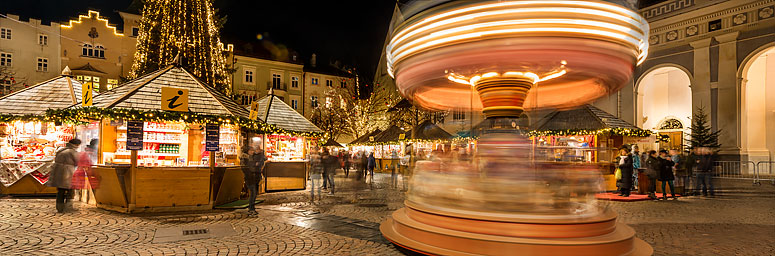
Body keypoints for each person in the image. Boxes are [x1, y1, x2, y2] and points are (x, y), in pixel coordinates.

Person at [46, 139, 81, 213]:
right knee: (70, 190)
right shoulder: (72, 152)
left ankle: (59, 207)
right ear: (76, 145)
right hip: (68, 172)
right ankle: (69, 207)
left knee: (60, 190)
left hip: (58, 172)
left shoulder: (60, 150)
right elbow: (78, 161)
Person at [240, 147, 258, 215]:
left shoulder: (249, 158)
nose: (253, 152)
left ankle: (252, 208)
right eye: (251, 150)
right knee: (253, 192)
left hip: (252, 177)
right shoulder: (246, 158)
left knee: (254, 192)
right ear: (248, 151)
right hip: (249, 177)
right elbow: (247, 168)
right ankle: (251, 208)